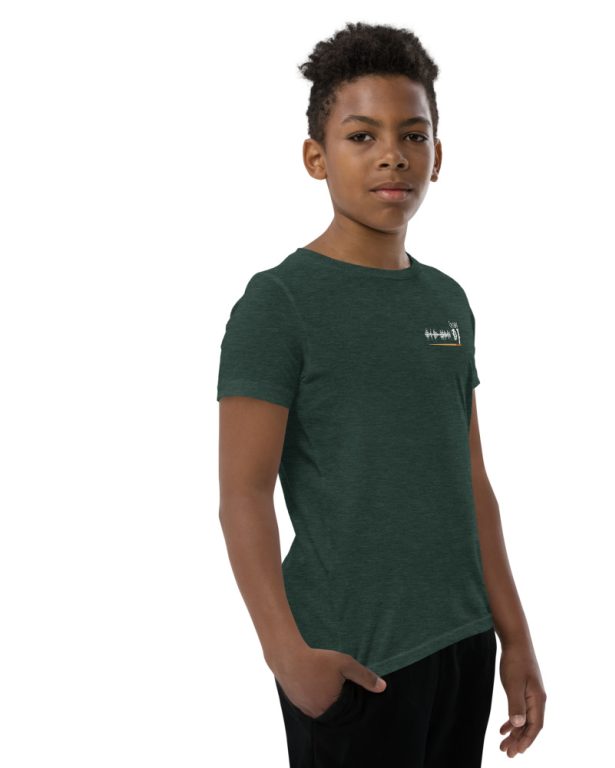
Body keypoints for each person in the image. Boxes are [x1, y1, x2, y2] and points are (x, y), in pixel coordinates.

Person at [216, 21, 546, 767]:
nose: (392, 154)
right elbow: (243, 495)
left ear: (438, 155)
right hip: (353, 659)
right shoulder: (280, 304)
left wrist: (516, 638)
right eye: (361, 136)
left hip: (462, 642)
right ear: (316, 156)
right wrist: (287, 657)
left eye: (413, 135)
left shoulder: (447, 301)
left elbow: (471, 484)